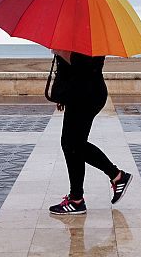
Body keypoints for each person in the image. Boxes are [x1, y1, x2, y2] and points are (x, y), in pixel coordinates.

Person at [48, 50, 133, 215]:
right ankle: (113, 178)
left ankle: (77, 199)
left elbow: (85, 67)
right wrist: (62, 94)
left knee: (72, 144)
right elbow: (68, 69)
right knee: (73, 144)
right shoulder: (76, 33)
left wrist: (62, 53)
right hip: (79, 93)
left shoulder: (90, 36)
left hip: (87, 94)